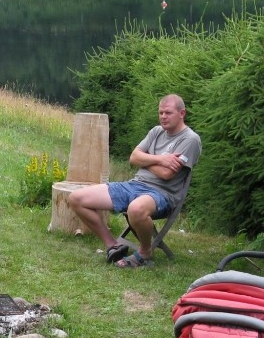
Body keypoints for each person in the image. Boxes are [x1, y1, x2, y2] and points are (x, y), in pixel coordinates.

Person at [69, 94, 202, 268]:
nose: (163, 116)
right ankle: (113, 245)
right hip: (134, 185)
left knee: (136, 209)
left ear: (182, 113)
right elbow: (133, 157)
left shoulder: (190, 139)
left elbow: (166, 174)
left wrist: (145, 161)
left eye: (168, 113)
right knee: (76, 198)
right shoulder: (156, 131)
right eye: (160, 112)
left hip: (161, 194)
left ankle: (145, 252)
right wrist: (161, 159)